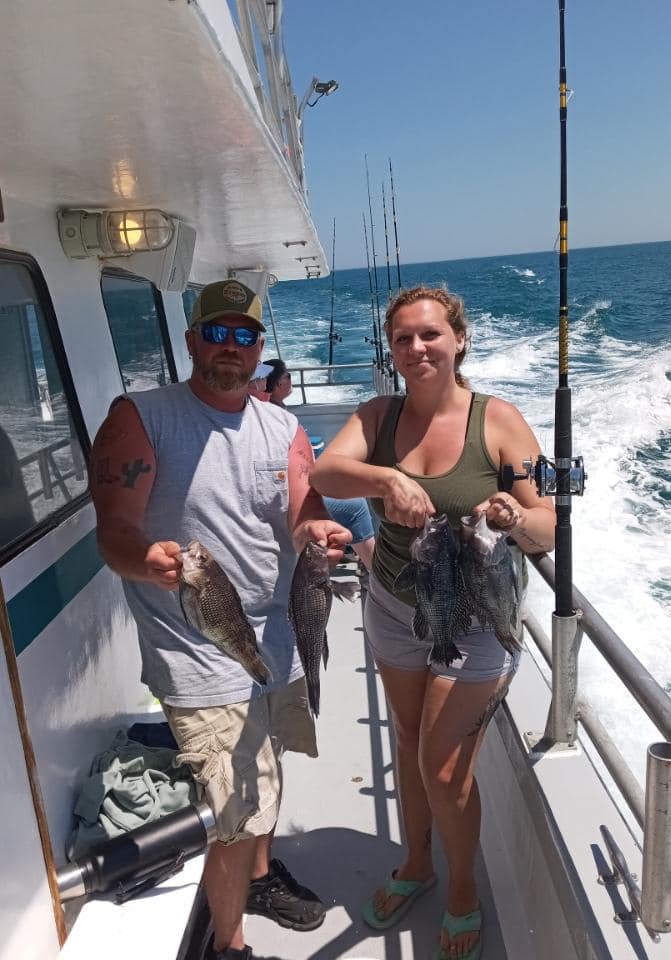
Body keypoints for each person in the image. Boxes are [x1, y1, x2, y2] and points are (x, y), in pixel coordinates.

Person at [90, 279, 352, 960]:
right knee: (235, 810)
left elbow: (302, 513)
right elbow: (114, 528)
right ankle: (229, 947)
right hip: (198, 649)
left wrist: (318, 533)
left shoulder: (283, 427)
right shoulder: (141, 418)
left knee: (268, 766)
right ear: (192, 341)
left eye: (244, 336)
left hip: (277, 638)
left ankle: (258, 880)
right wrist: (146, 559)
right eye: (216, 333)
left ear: (259, 348)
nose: (230, 347)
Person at [310, 285, 555, 960]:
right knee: (409, 738)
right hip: (394, 605)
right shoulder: (378, 416)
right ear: (390, 350)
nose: (417, 348)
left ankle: (463, 892)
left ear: (459, 340)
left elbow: (547, 527)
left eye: (430, 335)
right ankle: (416, 864)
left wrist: (515, 515)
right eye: (403, 338)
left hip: (474, 616)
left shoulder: (499, 421)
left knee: (442, 768)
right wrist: (385, 481)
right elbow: (326, 471)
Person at [265, 357, 377, 571]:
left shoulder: (276, 413)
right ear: (278, 385)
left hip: (292, 488)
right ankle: (374, 570)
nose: (290, 379)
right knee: (355, 506)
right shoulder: (273, 418)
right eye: (288, 376)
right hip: (287, 499)